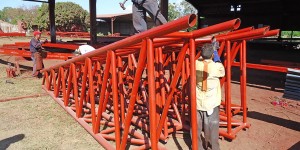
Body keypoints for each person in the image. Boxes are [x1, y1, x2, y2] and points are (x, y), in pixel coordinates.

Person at [195, 42, 224, 150]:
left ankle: (197, 147)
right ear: (212, 55)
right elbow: (221, 70)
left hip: (198, 102)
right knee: (212, 128)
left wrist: (208, 51)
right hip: (211, 103)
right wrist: (215, 51)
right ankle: (212, 148)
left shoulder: (195, 64)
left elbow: (200, 58)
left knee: (196, 128)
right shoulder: (217, 67)